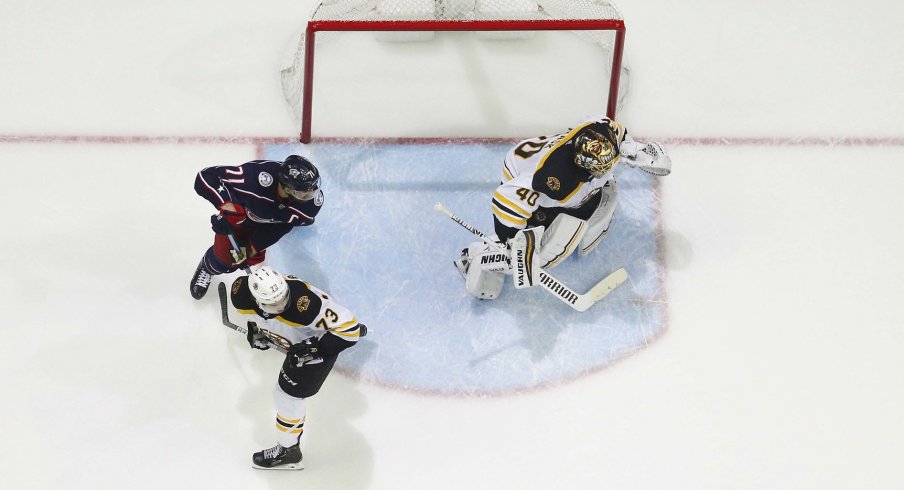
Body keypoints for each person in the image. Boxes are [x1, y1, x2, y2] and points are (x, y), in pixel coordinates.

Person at [454, 115, 671, 299]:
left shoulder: (602, 131)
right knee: (538, 254)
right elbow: (506, 199)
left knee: (586, 205)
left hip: (536, 159)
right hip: (521, 177)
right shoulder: (553, 180)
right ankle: (477, 256)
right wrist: (510, 240)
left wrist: (636, 151)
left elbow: (615, 132)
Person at [229, 265, 366, 470]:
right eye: (273, 303)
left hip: (320, 343)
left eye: (283, 298)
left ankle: (288, 451)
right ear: (257, 299)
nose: (282, 305)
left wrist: (315, 349)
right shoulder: (240, 294)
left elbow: (350, 331)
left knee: (286, 396)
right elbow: (260, 318)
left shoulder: (305, 306)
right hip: (301, 339)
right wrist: (256, 331)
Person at [189, 155, 323, 300]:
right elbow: (205, 177)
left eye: (312, 189)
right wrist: (226, 205)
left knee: (247, 259)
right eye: (303, 192)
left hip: (266, 226)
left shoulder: (310, 205)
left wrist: (252, 247)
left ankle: (237, 257)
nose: (310, 195)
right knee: (223, 260)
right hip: (239, 217)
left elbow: (285, 225)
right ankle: (207, 267)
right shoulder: (253, 177)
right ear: (287, 187)